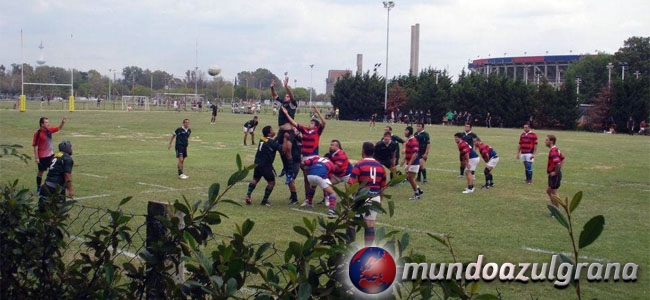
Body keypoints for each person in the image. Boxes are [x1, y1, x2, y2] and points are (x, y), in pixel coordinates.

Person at [347, 142, 388, 246]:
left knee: (351, 223)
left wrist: (352, 198)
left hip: (362, 196)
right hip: (375, 198)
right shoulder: (380, 167)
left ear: (363, 151)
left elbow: (351, 182)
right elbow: (383, 187)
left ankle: (349, 249)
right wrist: (380, 200)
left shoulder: (359, 164)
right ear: (373, 152)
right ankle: (367, 250)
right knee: (370, 225)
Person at [244, 126, 281, 207]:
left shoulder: (262, 139)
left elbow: (271, 142)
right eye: (272, 130)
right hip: (266, 165)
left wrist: (277, 137)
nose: (273, 131)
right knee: (271, 182)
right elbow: (280, 148)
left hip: (257, 163)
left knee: (255, 179)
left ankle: (248, 195)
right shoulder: (272, 143)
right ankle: (264, 201)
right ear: (269, 133)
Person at [271, 77, 298, 182]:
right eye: (286, 95)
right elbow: (275, 96)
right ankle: (285, 168)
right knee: (281, 150)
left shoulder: (292, 104)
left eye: (288, 96)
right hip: (281, 131)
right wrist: (272, 87)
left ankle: (290, 172)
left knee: (288, 151)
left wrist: (286, 86)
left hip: (289, 131)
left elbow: (291, 94)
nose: (286, 96)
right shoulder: (282, 103)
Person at [33, 116, 67, 192]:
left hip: (51, 155)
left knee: (55, 169)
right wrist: (37, 157)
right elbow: (35, 146)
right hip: (42, 157)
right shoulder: (38, 134)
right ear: (42, 124)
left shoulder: (49, 130)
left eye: (48, 122)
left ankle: (54, 185)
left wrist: (62, 123)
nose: (48, 124)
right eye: (46, 122)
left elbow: (58, 128)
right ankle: (38, 187)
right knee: (41, 172)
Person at [39, 140, 74, 209]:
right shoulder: (67, 158)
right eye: (70, 147)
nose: (71, 149)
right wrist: (70, 190)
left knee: (44, 213)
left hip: (46, 186)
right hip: (56, 189)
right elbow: (67, 175)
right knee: (57, 213)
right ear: (67, 148)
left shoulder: (55, 156)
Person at [323, 139, 352, 205]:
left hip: (346, 175)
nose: (330, 146)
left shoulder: (341, 154)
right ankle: (327, 199)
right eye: (330, 145)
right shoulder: (331, 153)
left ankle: (351, 201)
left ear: (337, 146)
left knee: (352, 188)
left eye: (332, 145)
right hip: (337, 175)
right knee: (326, 184)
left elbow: (336, 167)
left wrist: (327, 165)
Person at [401, 126, 423, 200]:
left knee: (410, 178)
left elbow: (415, 154)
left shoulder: (413, 141)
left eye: (405, 131)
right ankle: (418, 189)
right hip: (410, 163)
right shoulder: (409, 140)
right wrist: (404, 161)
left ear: (409, 132)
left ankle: (417, 194)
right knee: (409, 177)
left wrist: (409, 165)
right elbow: (408, 152)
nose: (404, 132)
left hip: (414, 164)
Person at [545, 135, 565, 210]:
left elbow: (558, 163)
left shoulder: (553, 151)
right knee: (549, 191)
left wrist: (556, 172)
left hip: (554, 175)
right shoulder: (555, 149)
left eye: (546, 140)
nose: (545, 142)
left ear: (551, 141)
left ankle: (557, 210)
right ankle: (555, 208)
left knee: (554, 192)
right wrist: (559, 169)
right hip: (553, 174)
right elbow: (562, 158)